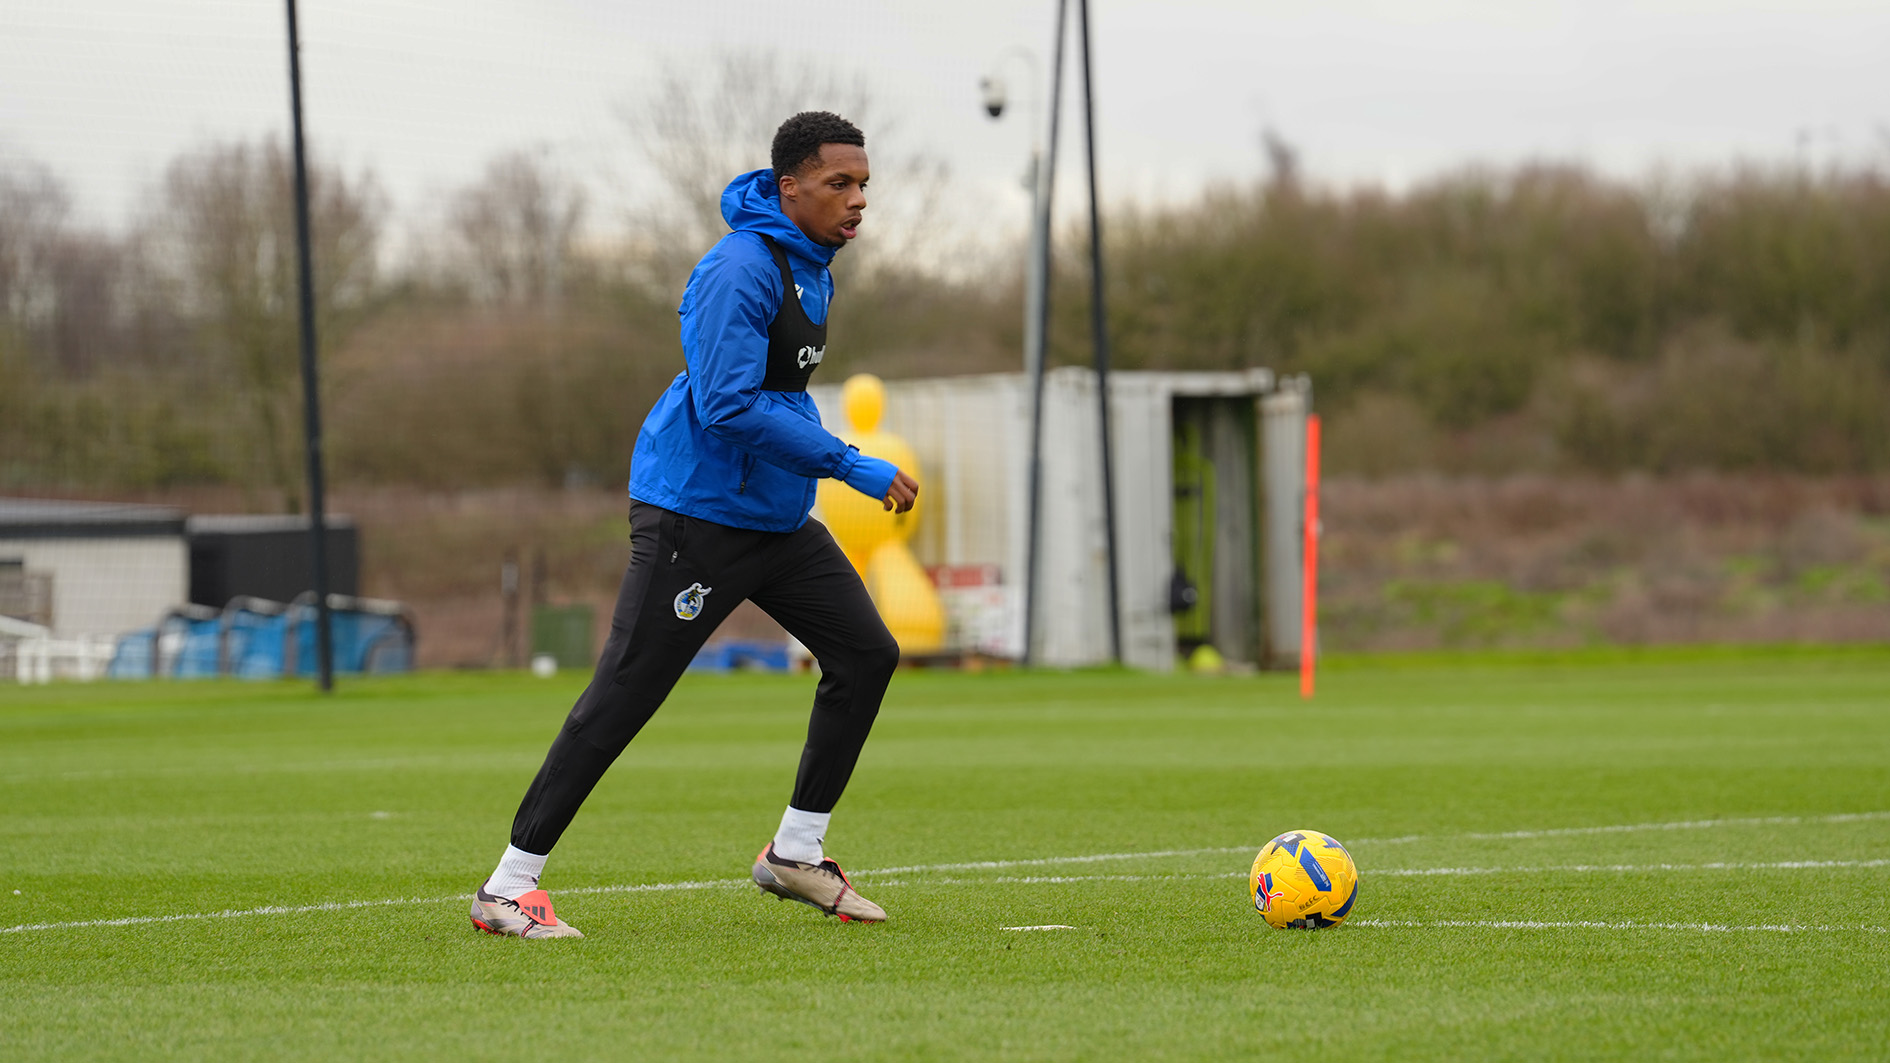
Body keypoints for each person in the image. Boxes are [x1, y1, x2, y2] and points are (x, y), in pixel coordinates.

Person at [470, 111, 917, 939]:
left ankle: (795, 852)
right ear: (789, 187)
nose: (858, 199)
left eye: (863, 185)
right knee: (628, 690)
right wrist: (850, 463)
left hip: (775, 516)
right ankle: (508, 886)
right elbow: (727, 406)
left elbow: (779, 396)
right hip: (696, 515)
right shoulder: (738, 268)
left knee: (866, 653)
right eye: (839, 184)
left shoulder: (812, 268)